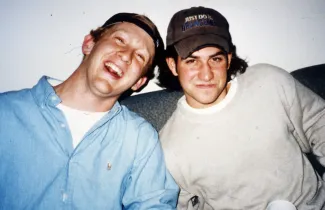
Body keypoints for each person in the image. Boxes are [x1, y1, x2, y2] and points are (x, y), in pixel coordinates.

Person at [0, 12, 179, 209]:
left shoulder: (140, 138)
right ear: (89, 44)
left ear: (139, 82)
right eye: (120, 40)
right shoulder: (5, 112)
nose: (126, 56)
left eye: (139, 56)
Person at [157, 6, 325, 209]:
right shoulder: (167, 149)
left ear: (228, 59)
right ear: (173, 65)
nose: (207, 74)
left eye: (215, 59)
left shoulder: (269, 81)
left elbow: (319, 124)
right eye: (192, 61)